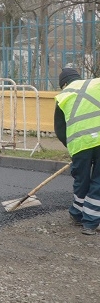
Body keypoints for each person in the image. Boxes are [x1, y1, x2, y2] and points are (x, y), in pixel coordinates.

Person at [54, 67, 100, 235]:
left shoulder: (63, 96)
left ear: (64, 84)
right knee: (99, 181)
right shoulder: (96, 83)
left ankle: (78, 215)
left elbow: (60, 129)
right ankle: (90, 222)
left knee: (82, 179)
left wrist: (73, 147)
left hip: (80, 144)